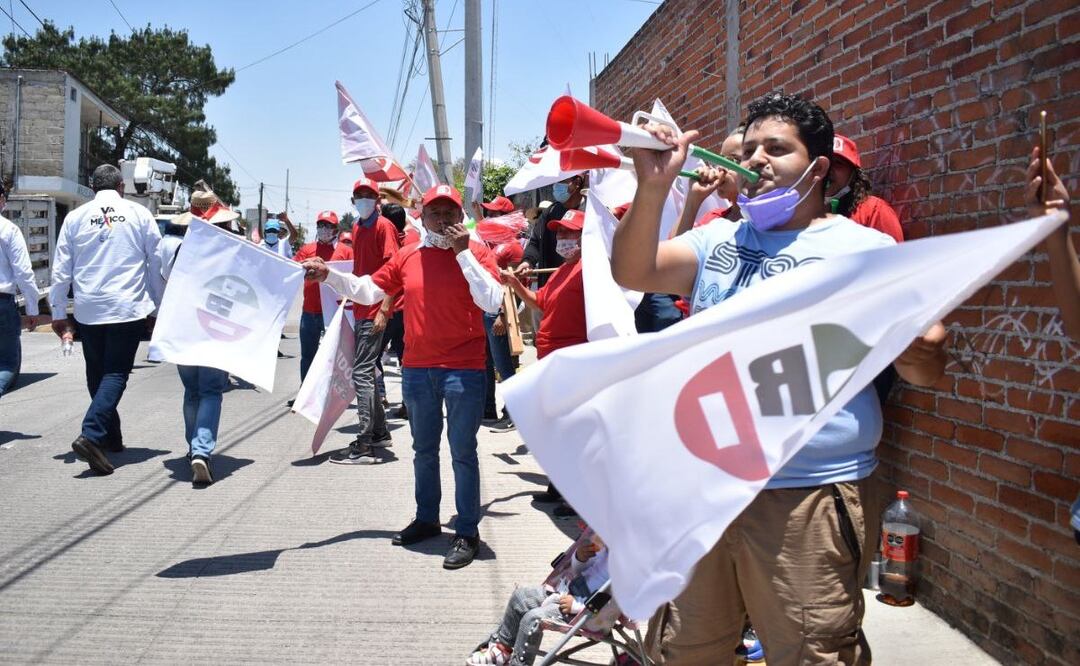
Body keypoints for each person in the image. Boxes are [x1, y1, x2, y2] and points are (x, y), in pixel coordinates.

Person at [612, 92, 947, 665]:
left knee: (810, 651)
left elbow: (926, 367)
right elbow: (633, 269)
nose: (757, 159)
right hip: (705, 489)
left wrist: (914, 346)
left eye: (777, 148)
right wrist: (651, 187)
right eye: (750, 148)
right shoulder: (720, 238)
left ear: (818, 167)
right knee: (685, 648)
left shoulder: (864, 249)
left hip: (807, 497)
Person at [302, 184, 503, 569]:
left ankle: (467, 531)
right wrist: (329, 275)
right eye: (435, 213)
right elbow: (366, 291)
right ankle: (427, 518)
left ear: (460, 218)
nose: (442, 220)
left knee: (462, 452)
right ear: (422, 218)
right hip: (418, 370)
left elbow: (491, 301)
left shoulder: (477, 253)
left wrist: (463, 255)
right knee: (423, 450)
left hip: (464, 370)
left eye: (449, 213)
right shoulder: (409, 256)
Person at [48, 164, 165, 475]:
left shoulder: (75, 217)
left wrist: (58, 312)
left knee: (97, 375)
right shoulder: (139, 214)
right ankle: (92, 434)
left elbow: (61, 269)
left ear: (92, 185)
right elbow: (156, 263)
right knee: (114, 374)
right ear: (121, 186)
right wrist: (157, 307)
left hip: (89, 309)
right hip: (127, 307)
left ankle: (110, 437)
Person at [504, 209, 590, 519]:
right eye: (562, 233)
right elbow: (541, 303)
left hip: (572, 363)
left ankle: (577, 497)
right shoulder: (561, 270)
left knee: (571, 432)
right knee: (556, 430)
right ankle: (559, 486)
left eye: (571, 234)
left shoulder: (591, 270)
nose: (564, 239)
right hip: (551, 362)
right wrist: (516, 286)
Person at [160, 200, 241, 484]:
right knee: (210, 391)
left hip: (184, 327)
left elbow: (167, 280)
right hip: (215, 328)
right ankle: (201, 450)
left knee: (192, 390)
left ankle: (193, 446)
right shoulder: (232, 251)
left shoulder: (185, 248)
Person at [329, 177, 399, 464]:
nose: (363, 200)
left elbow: (395, 272)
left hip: (375, 310)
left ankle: (365, 442)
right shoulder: (358, 227)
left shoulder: (385, 227)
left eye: (368, 195)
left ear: (378, 199)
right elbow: (359, 272)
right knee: (366, 371)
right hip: (361, 308)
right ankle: (380, 432)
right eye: (358, 195)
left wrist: (384, 309)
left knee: (361, 371)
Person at [466, 533, 608, 666]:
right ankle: (501, 649)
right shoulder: (608, 541)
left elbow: (620, 599)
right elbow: (579, 571)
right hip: (571, 592)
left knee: (533, 619)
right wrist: (580, 558)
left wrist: (578, 605)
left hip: (592, 611)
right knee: (521, 597)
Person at [473, 196, 519, 432]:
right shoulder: (495, 243)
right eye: (488, 214)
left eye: (494, 215)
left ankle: (512, 413)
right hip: (488, 311)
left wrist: (501, 314)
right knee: (487, 362)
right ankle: (488, 408)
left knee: (504, 365)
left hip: (498, 313)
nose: (489, 218)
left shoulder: (508, 246)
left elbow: (505, 286)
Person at [291, 210, 352, 382]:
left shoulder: (345, 252)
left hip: (335, 313)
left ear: (335, 229)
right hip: (310, 312)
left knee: (335, 357)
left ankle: (330, 395)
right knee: (308, 356)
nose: (323, 229)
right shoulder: (307, 249)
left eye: (328, 225)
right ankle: (305, 394)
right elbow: (294, 272)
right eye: (320, 225)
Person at [0, 180, 42, 398]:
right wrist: (33, 310)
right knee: (6, 364)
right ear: (1, 200)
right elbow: (24, 273)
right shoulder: (8, 229)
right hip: (2, 304)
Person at [825, 134, 904, 243]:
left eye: (838, 163)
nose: (828, 170)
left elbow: (895, 257)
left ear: (853, 174)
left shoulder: (875, 211)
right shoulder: (802, 214)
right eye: (823, 164)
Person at [670, 125, 746, 236]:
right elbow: (674, 249)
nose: (721, 167)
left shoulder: (769, 220)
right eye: (719, 160)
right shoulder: (713, 219)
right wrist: (693, 198)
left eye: (732, 160)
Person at [518, 173, 587, 286]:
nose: (555, 186)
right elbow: (535, 242)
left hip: (581, 285)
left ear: (577, 183)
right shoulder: (550, 212)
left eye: (561, 181)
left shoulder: (593, 212)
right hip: (551, 284)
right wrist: (528, 261)